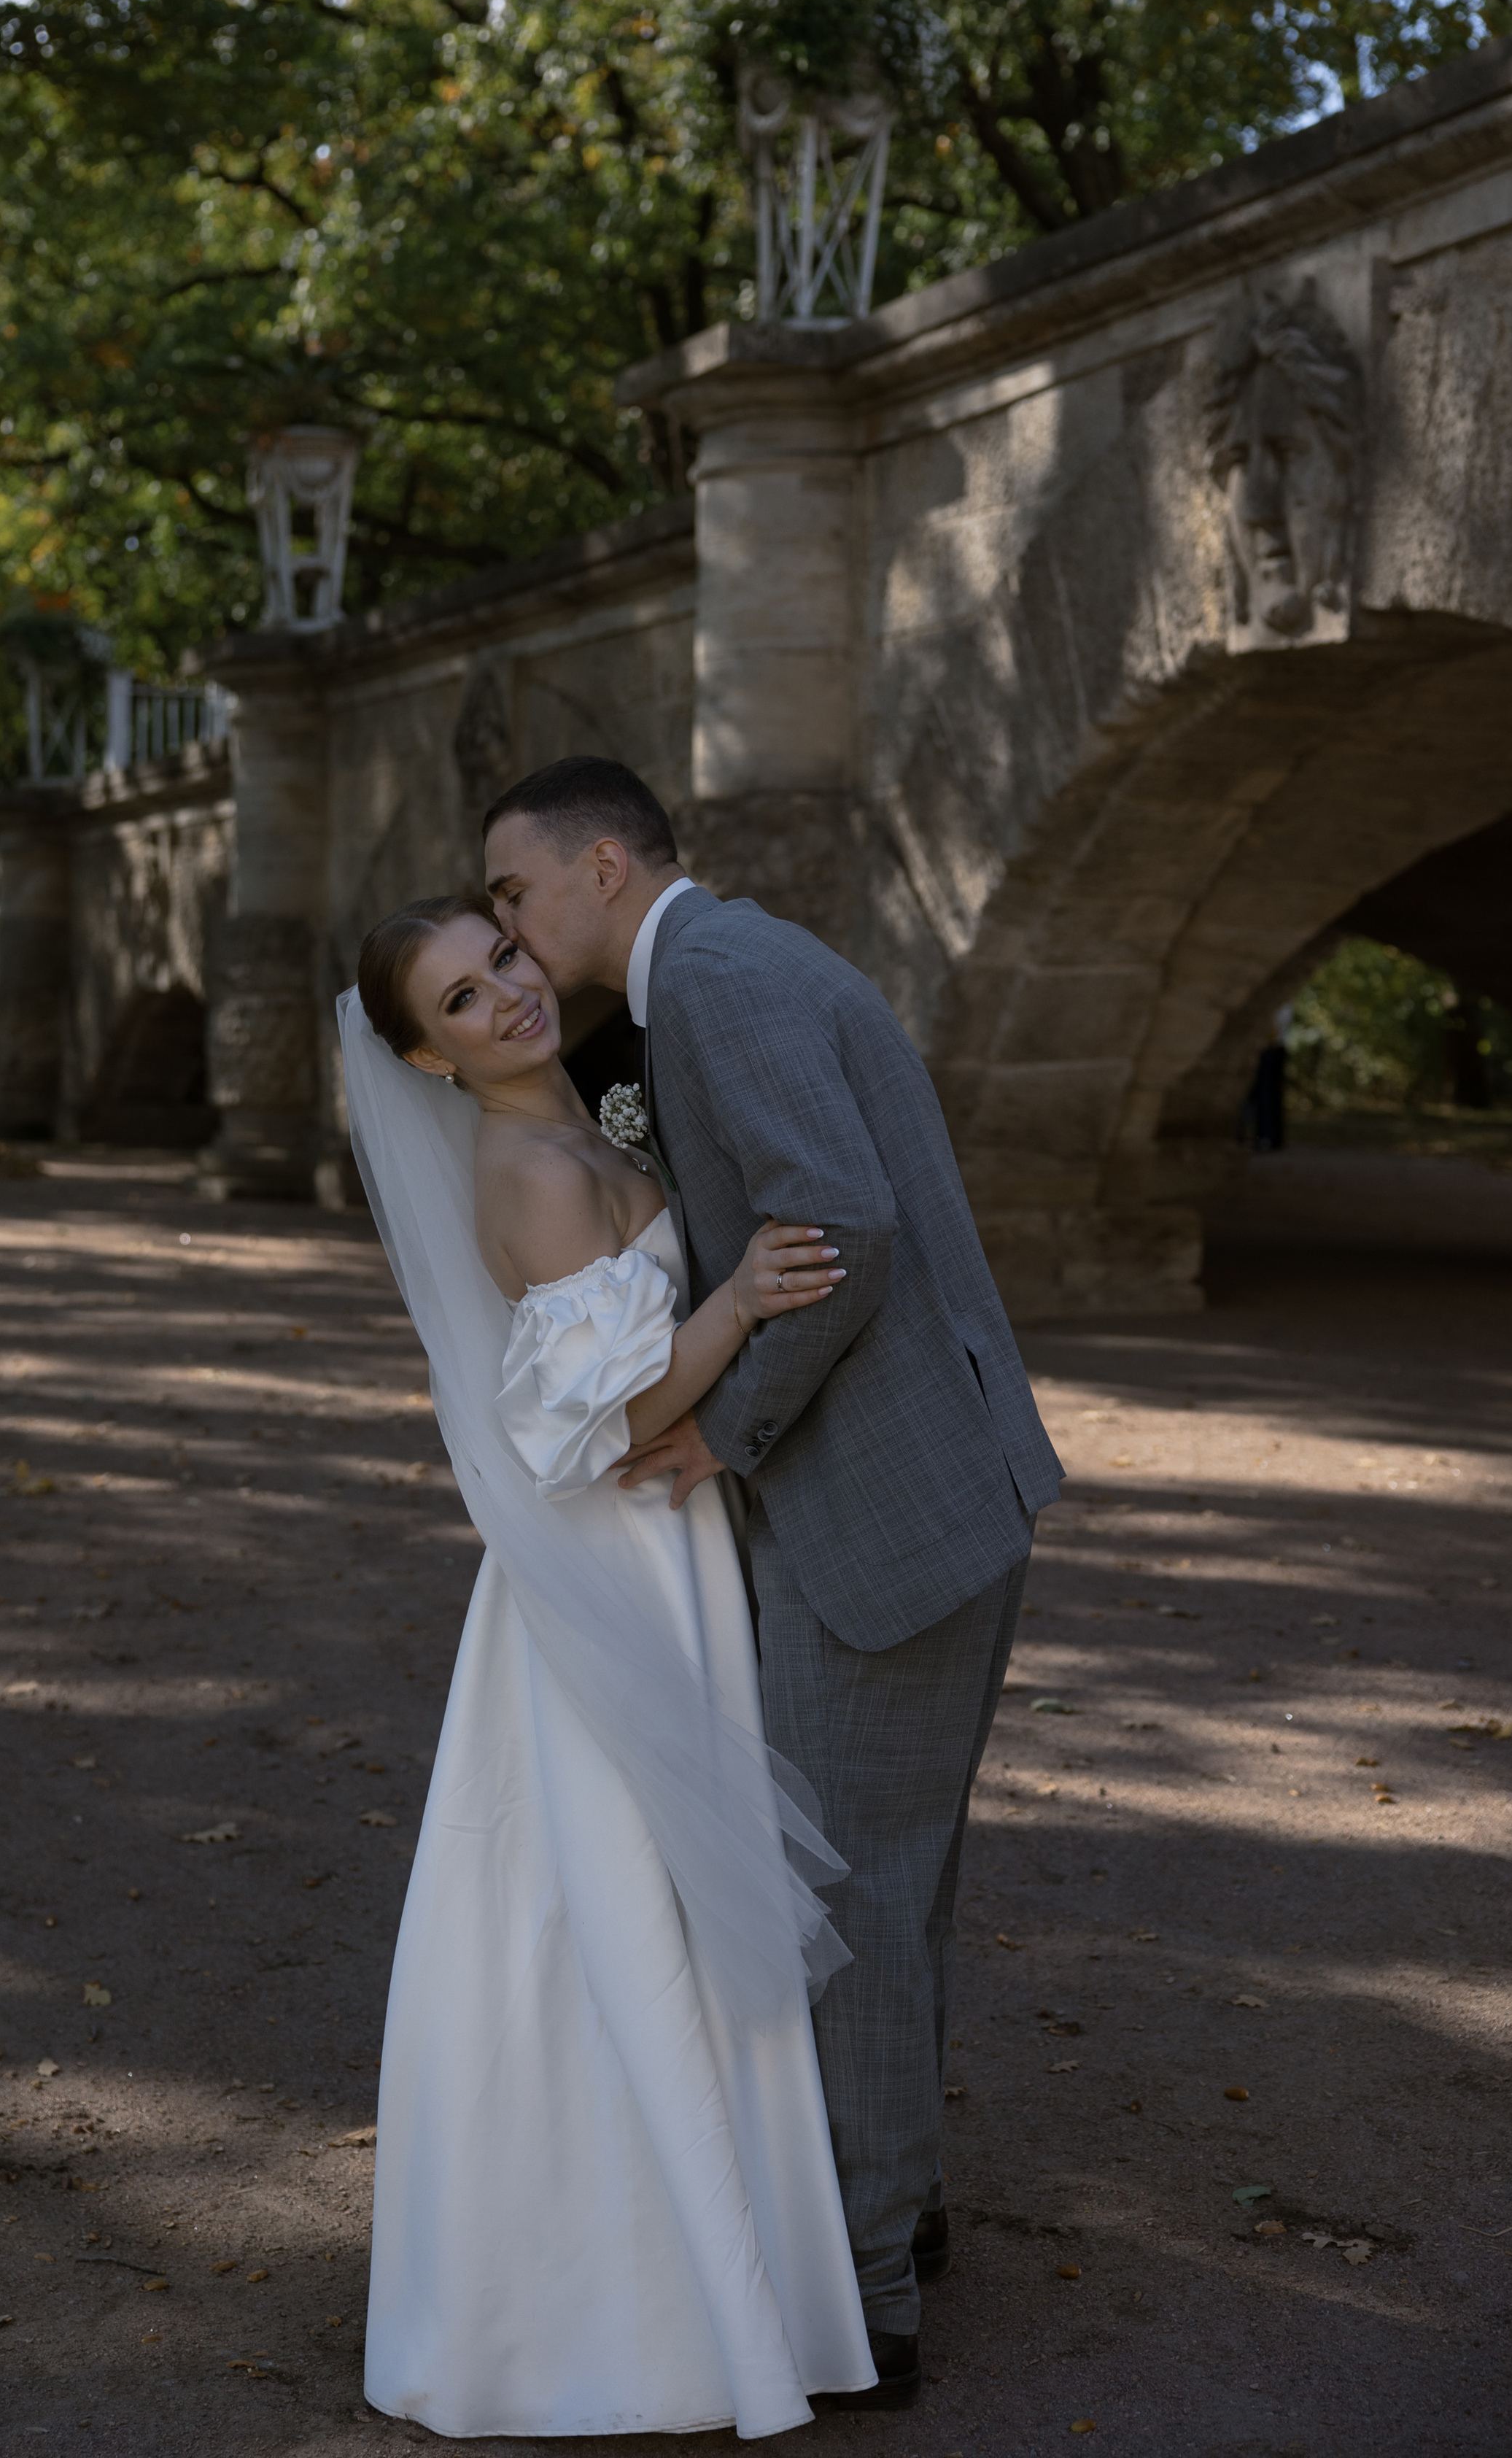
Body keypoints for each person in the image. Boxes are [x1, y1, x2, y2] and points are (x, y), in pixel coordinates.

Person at [482, 757, 1065, 2405]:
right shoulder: (735, 966)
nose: (512, 937)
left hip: (874, 1512)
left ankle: (863, 2291)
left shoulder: (716, 984)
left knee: (847, 1906)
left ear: (601, 864)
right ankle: (900, 2211)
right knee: (894, 1884)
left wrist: (725, 1430)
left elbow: (839, 1229)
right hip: (933, 1488)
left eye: (515, 896)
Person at [343, 899, 878, 2438]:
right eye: (461, 998)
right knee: (609, 1909)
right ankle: (618, 2319)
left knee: (648, 1909)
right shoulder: (524, 1171)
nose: (508, 996)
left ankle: (724, 2276)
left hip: (666, 1558)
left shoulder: (603, 1105)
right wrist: (738, 1297)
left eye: (503, 958)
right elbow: (594, 1427)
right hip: (616, 1572)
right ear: (422, 1057)